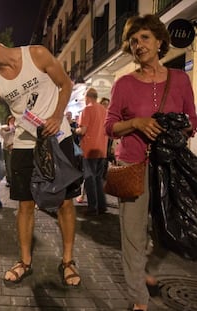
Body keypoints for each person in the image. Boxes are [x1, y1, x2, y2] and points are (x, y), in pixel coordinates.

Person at [0, 22, 81, 287]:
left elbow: (65, 84)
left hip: (58, 139)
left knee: (65, 202)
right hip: (24, 145)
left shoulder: (37, 55)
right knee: (25, 205)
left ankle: (68, 261)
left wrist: (56, 116)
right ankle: (25, 261)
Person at [104, 14, 196, 311]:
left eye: (144, 38)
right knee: (133, 234)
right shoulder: (124, 84)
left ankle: (146, 270)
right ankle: (139, 300)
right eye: (133, 40)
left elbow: (192, 121)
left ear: (159, 42)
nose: (138, 44)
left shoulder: (180, 79)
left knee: (163, 228)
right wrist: (137, 123)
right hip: (133, 165)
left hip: (169, 168)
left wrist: (176, 130)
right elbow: (110, 126)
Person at [75, 88, 108, 216]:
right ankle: (102, 206)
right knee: (98, 179)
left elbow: (82, 131)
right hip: (102, 149)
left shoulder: (87, 109)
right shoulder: (104, 110)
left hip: (89, 149)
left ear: (87, 97)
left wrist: (75, 131)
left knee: (89, 178)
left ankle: (92, 207)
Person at [0, 115, 15, 187]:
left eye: (13, 120)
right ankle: (9, 180)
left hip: (14, 148)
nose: (12, 122)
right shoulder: (5, 128)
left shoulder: (16, 128)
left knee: (13, 165)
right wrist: (6, 128)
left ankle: (13, 180)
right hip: (6, 148)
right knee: (8, 164)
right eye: (11, 120)